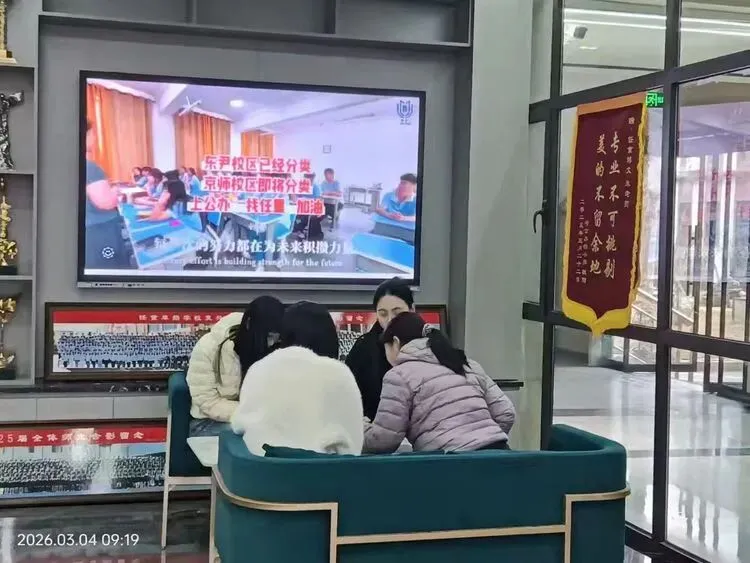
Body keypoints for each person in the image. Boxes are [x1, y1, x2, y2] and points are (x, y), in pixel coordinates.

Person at [363, 312, 515, 453]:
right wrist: (483, 438)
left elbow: (384, 440)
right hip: (500, 454)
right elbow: (506, 412)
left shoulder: (399, 375)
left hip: (453, 463)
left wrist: (358, 431)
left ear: (395, 342)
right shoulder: (466, 364)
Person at [231, 301, 363, 456]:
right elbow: (352, 446)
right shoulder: (339, 374)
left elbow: (238, 425)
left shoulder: (258, 369)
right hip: (321, 469)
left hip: (262, 466)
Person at [186, 296, 285, 437]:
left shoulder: (274, 348)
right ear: (249, 324)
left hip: (259, 419)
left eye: (276, 337)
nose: (271, 343)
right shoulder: (209, 347)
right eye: (268, 336)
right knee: (262, 434)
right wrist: (254, 414)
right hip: (208, 423)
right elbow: (207, 402)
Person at [346, 278, 415, 420]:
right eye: (383, 314)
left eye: (397, 312)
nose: (390, 320)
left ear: (412, 309)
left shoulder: (428, 345)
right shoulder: (364, 348)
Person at [84, 120, 131, 269]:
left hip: (91, 230)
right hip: (101, 231)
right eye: (93, 134)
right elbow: (106, 202)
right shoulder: (90, 167)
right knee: (112, 270)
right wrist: (114, 192)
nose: (95, 138)